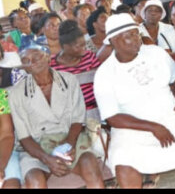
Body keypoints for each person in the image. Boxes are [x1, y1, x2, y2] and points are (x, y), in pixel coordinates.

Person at [92, 14, 175, 189]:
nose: (137, 39)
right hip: (130, 128)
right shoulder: (105, 73)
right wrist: (154, 127)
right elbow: (112, 117)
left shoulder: (154, 52)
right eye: (130, 36)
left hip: (168, 116)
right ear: (114, 40)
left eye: (137, 34)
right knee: (122, 162)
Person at [8, 41, 104, 188]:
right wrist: (47, 159)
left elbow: (77, 119)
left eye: (36, 56)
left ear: (48, 57)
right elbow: (24, 137)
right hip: (37, 147)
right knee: (34, 180)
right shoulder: (16, 94)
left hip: (70, 139)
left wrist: (69, 145)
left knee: (90, 167)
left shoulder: (69, 80)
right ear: (23, 67)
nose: (32, 63)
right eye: (26, 61)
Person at [51, 20, 102, 123]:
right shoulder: (51, 65)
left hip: (97, 110)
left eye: (84, 45)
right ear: (65, 46)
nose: (84, 49)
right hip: (68, 116)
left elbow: (102, 82)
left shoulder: (89, 57)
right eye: (79, 46)